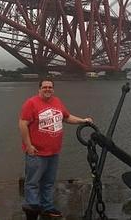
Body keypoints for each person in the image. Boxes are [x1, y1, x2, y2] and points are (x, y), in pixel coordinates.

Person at [19, 77, 93, 218]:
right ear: (39, 89)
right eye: (45, 87)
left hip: (53, 152)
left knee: (48, 182)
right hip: (36, 152)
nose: (48, 89)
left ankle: (47, 207)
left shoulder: (57, 101)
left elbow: (66, 117)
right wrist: (28, 145)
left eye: (50, 87)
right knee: (33, 182)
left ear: (53, 89)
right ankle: (33, 208)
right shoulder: (31, 103)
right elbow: (23, 124)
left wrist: (83, 120)